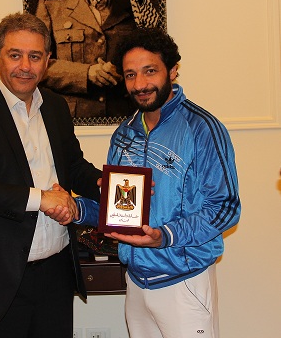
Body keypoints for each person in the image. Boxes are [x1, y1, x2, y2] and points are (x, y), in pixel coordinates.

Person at [0, 12, 102, 338]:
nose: (25, 66)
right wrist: (41, 199)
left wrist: (109, 186)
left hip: (55, 275)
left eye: (35, 56)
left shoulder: (55, 106)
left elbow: (73, 166)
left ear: (47, 61)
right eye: (15, 55)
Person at [74, 27, 241, 338]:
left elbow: (225, 209)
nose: (140, 84)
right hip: (136, 283)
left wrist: (164, 236)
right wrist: (76, 208)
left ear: (173, 71)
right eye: (130, 75)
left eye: (150, 71)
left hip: (185, 284)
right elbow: (117, 209)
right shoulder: (123, 134)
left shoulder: (203, 128)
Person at [36, 0, 160, 121]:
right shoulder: (51, 7)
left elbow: (153, 60)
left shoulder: (133, 9)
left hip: (125, 120)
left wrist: (121, 72)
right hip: (72, 122)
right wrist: (86, 73)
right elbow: (38, 65)